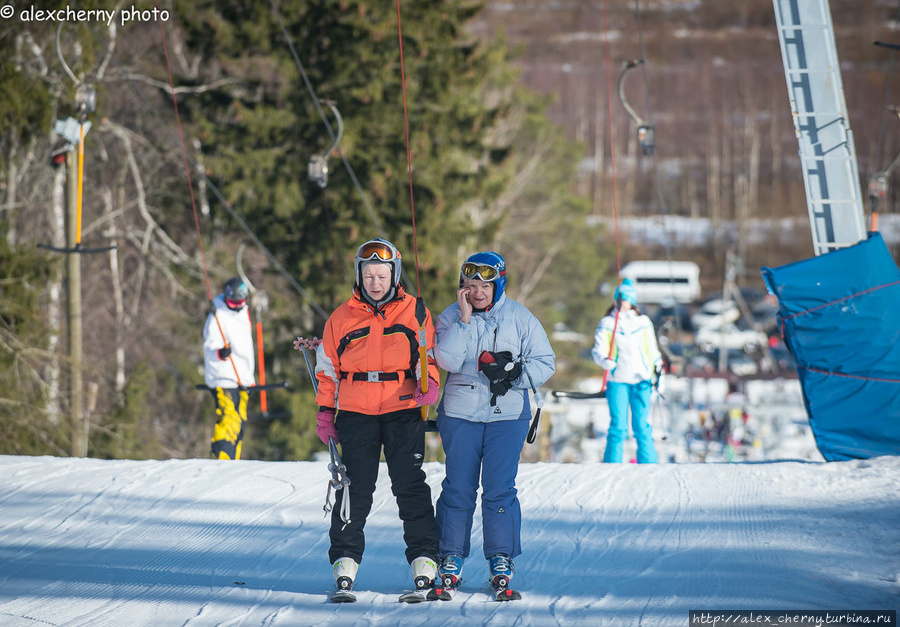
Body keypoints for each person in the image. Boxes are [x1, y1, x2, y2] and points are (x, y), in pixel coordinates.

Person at [312, 237, 441, 597]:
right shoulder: (340, 318)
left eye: (382, 274)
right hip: (355, 413)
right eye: (368, 274)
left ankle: (424, 558)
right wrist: (325, 412)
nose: (375, 282)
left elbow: (426, 355)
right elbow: (327, 370)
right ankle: (345, 561)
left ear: (394, 274)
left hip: (402, 410)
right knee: (355, 488)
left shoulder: (416, 312)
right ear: (360, 275)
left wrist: (429, 381)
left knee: (409, 485)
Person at [432, 251, 556, 595]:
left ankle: (500, 556)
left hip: (508, 417)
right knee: (458, 487)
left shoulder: (520, 317)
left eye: (485, 285)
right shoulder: (451, 316)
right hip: (460, 416)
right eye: (470, 285)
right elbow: (445, 359)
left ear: (498, 284)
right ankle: (450, 556)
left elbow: (546, 363)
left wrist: (515, 373)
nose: (477, 292)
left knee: (500, 489)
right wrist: (465, 321)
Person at [591, 278, 663, 464]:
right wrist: (604, 361)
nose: (623, 303)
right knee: (618, 427)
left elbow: (651, 348)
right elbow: (598, 350)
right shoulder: (607, 322)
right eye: (620, 299)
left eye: (627, 299)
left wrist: (658, 366)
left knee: (641, 427)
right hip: (618, 381)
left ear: (633, 301)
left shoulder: (643, 322)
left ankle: (649, 465)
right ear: (615, 300)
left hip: (642, 380)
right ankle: (611, 465)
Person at [202, 277, 256, 460]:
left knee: (240, 422)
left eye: (240, 302)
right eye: (232, 302)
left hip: (242, 376)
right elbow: (209, 346)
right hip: (223, 376)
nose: (236, 306)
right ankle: (220, 459)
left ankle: (234, 460)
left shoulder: (244, 313)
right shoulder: (217, 315)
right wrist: (220, 353)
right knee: (228, 418)